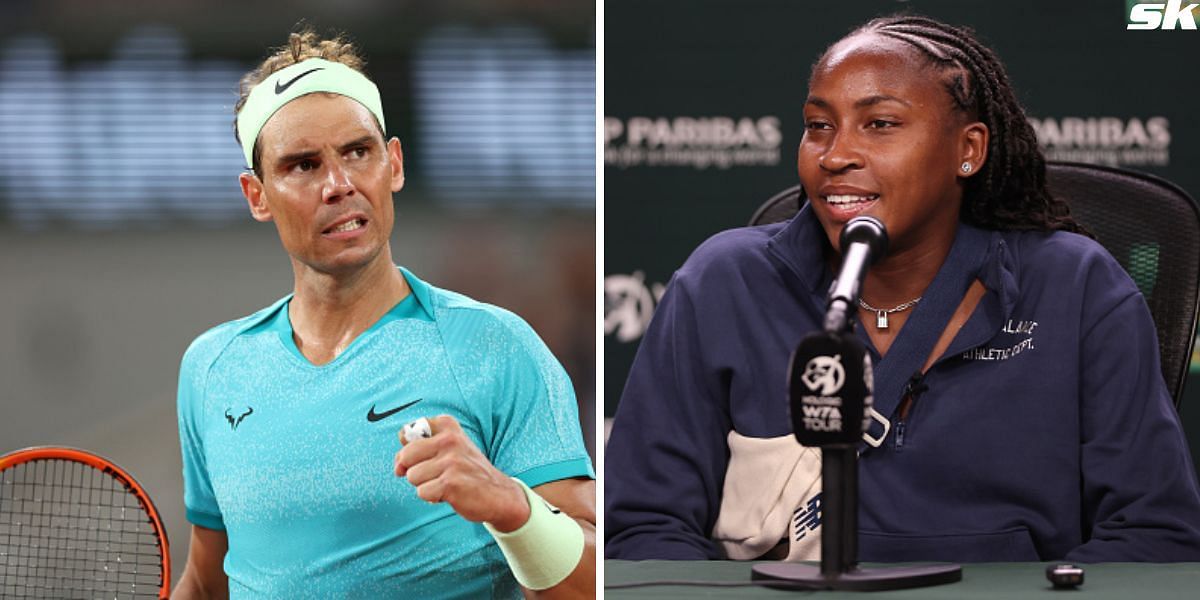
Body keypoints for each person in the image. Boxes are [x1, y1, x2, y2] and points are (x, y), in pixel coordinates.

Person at [605, 15, 1200, 563]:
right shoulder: (724, 281)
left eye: (880, 124)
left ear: (968, 150)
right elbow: (643, 527)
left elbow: (1154, 533)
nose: (835, 155)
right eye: (818, 126)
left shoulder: (1075, 284)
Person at [173, 30, 595, 598]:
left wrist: (513, 508)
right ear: (257, 195)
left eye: (357, 152)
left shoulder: (497, 346)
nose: (339, 185)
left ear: (392, 164)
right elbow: (205, 584)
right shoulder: (211, 367)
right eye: (303, 165)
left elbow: (596, 581)